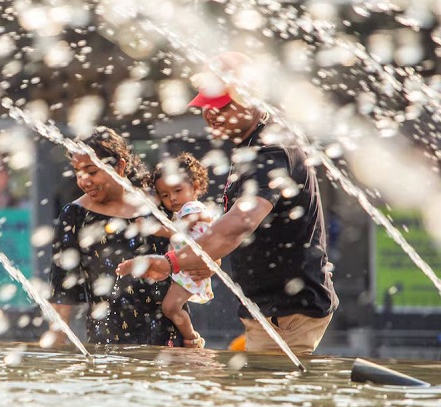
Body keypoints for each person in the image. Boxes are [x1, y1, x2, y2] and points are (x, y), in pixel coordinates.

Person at [117, 52, 338, 354]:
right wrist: (206, 257)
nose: (210, 114)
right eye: (205, 106)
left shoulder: (271, 152)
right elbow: (236, 230)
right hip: (269, 308)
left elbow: (239, 225)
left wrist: (172, 263)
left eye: (220, 105)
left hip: (289, 313)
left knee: (269, 396)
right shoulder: (249, 146)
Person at [45, 127, 187, 347]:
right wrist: (56, 338)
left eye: (92, 172)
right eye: (77, 172)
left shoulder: (157, 206)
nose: (84, 181)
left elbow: (193, 252)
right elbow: (63, 285)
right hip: (108, 340)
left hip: (169, 337)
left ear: (120, 166)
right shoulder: (74, 215)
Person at [152, 153, 215, 349]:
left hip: (190, 268)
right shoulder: (184, 211)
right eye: (164, 195)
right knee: (171, 306)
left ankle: (192, 338)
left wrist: (149, 228)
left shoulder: (192, 208)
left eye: (177, 190)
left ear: (195, 186)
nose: (172, 198)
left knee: (170, 307)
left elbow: (177, 231)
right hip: (185, 267)